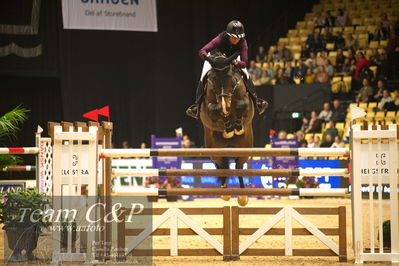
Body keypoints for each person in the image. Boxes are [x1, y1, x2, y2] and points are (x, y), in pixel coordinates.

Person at [186, 20, 268, 119]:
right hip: (215, 59)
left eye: (238, 38)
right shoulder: (220, 38)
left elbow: (244, 62)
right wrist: (209, 59)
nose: (235, 40)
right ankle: (197, 107)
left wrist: (235, 63)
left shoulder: (243, 43)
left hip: (232, 59)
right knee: (203, 76)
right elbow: (202, 51)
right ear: (228, 35)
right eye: (233, 37)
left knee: (246, 73)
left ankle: (257, 101)